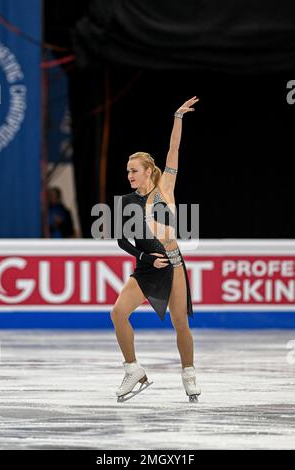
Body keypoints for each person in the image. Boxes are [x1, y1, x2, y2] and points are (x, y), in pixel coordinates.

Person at [112, 96, 201, 402]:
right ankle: (133, 369)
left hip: (174, 264)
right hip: (147, 267)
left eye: (133, 170)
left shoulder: (166, 190)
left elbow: (173, 150)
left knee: (181, 324)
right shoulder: (125, 202)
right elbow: (122, 241)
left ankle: (188, 373)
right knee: (118, 312)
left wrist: (177, 117)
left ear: (148, 171)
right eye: (127, 171)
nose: (129, 175)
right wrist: (145, 256)